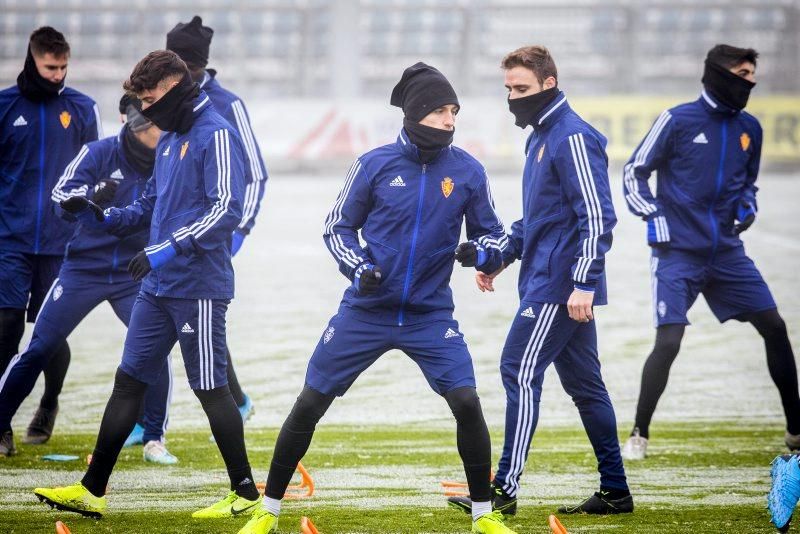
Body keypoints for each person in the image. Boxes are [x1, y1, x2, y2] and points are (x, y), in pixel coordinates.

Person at [236, 63, 515, 534]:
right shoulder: (373, 164)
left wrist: (479, 253)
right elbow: (336, 228)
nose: (451, 120)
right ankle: (269, 510)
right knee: (309, 403)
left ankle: (485, 518)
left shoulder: (468, 171)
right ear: (417, 113)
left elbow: (494, 236)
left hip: (430, 315)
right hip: (365, 312)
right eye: (443, 111)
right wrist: (359, 267)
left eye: (455, 112)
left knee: (467, 402)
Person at [32, 50, 259, 519]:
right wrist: (103, 215)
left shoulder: (216, 134)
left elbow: (225, 211)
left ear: (175, 88)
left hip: (198, 286)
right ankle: (92, 490)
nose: (146, 109)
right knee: (128, 381)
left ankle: (246, 495)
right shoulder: (172, 136)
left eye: (151, 99)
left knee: (211, 389)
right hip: (158, 286)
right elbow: (153, 202)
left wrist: (166, 248)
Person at [449, 45, 632, 517]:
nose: (513, 97)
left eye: (522, 88)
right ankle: (616, 491)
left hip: (561, 285)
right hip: (549, 281)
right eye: (508, 89)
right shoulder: (540, 137)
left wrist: (585, 283)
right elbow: (537, 221)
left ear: (549, 83)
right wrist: (497, 259)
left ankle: (502, 491)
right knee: (587, 388)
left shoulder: (571, 137)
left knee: (519, 371)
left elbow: (598, 217)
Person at [620, 44, 800, 460]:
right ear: (718, 73)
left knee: (774, 326)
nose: (749, 82)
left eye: (753, 75)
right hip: (676, 253)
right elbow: (634, 171)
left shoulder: (750, 128)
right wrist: (653, 215)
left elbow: (747, 184)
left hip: (727, 253)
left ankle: (795, 430)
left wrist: (748, 205)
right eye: (742, 73)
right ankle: (639, 433)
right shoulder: (677, 119)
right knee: (669, 341)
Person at [0, 99, 179, 464]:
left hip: (134, 272)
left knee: (154, 349)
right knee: (39, 347)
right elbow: (59, 196)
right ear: (136, 128)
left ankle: (154, 437)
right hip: (83, 268)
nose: (162, 133)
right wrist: (89, 200)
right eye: (154, 128)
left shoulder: (169, 157)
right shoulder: (98, 153)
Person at [158, 14, 268, 428]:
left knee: (200, 320)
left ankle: (231, 402)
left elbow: (256, 172)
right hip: (159, 235)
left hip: (208, 237)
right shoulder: (154, 97)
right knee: (153, 323)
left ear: (197, 66)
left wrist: (241, 229)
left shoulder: (227, 106)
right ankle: (145, 420)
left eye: (185, 67)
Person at [0, 26, 101, 450]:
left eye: (63, 67)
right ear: (33, 59)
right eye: (50, 67)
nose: (57, 74)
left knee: (49, 335)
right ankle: (1, 421)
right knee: (5, 329)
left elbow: (96, 171)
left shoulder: (82, 109)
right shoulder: (5, 106)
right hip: (10, 239)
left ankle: (49, 402)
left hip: (62, 245)